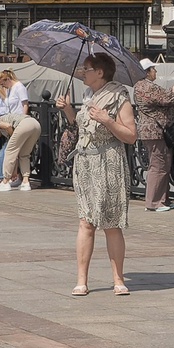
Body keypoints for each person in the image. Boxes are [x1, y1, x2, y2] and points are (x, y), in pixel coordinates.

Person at [57, 51, 136, 295]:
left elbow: (131, 136)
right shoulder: (89, 95)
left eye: (87, 69)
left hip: (109, 162)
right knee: (86, 221)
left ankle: (118, 280)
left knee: (111, 223)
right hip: (86, 163)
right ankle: (82, 280)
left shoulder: (118, 97)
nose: (82, 72)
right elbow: (81, 128)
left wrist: (107, 120)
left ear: (99, 73)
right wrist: (68, 110)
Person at [132, 63, 174, 212]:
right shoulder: (147, 86)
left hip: (153, 132)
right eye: (153, 69)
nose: (155, 71)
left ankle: (162, 200)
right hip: (156, 131)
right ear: (147, 71)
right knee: (158, 166)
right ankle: (154, 202)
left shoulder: (141, 86)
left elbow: (164, 96)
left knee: (162, 165)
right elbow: (171, 99)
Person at [0, 68, 40, 191]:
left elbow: (9, 126)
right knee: (24, 154)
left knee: (10, 152)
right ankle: (25, 181)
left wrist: (12, 132)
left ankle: (5, 181)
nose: (2, 86)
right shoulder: (10, 89)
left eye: (2, 83)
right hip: (34, 124)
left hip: (21, 123)